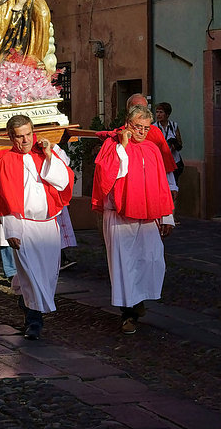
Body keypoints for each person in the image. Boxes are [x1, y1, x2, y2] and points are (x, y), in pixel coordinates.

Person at [0, 114, 74, 340]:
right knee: (30, 275)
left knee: (48, 276)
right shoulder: (6, 161)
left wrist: (49, 156)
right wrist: (12, 230)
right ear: (11, 137)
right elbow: (5, 198)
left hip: (48, 224)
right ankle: (34, 322)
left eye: (28, 134)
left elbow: (63, 182)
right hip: (24, 226)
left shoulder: (45, 153)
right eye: (19, 137)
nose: (25, 140)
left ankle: (27, 303)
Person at [92, 105, 175, 335]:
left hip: (148, 215)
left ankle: (139, 302)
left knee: (151, 259)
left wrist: (167, 216)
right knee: (124, 264)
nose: (142, 132)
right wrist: (124, 146)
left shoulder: (151, 149)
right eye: (138, 127)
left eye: (146, 128)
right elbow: (108, 177)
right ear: (128, 125)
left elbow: (161, 183)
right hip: (120, 216)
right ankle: (128, 312)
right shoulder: (113, 146)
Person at [96, 93, 178, 200]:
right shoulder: (118, 136)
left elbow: (165, 161)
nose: (142, 132)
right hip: (129, 193)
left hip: (152, 191)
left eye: (143, 108)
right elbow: (109, 169)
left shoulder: (155, 133)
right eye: (136, 109)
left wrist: (172, 185)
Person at [153, 102, 184, 185]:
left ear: (167, 114)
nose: (158, 115)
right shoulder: (154, 127)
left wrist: (174, 144)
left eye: (161, 112)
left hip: (174, 161)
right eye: (157, 112)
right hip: (160, 161)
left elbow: (180, 144)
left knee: (173, 185)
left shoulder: (174, 126)